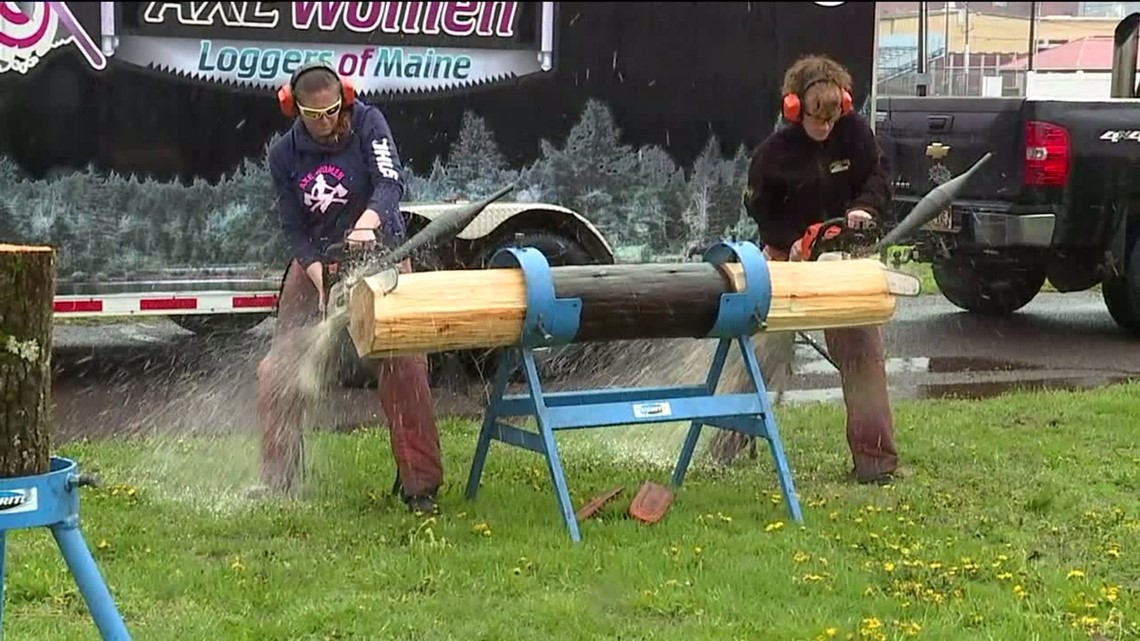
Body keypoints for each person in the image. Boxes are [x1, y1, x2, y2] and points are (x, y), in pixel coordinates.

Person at [257, 61, 444, 512]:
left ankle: (420, 485)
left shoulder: (367, 122)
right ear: (294, 108)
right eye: (313, 115)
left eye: (332, 111)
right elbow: (294, 227)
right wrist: (317, 273)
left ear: (344, 98)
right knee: (278, 372)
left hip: (383, 256)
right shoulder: (284, 154)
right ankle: (280, 480)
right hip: (319, 262)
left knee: (403, 366)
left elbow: (390, 182)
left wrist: (367, 223)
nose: (325, 121)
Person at [742, 53, 899, 485]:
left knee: (863, 354)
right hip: (787, 260)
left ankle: (875, 462)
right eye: (817, 117)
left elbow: (879, 176)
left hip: (841, 261)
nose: (826, 126)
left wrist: (865, 207)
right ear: (795, 108)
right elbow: (760, 208)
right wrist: (790, 241)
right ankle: (728, 443)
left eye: (832, 117)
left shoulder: (855, 135)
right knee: (753, 355)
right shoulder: (774, 154)